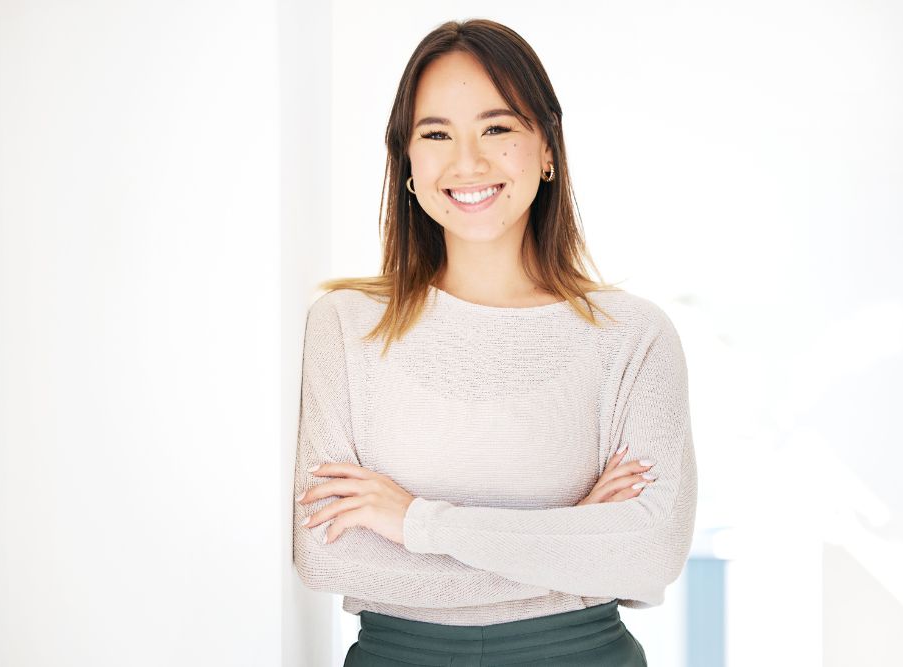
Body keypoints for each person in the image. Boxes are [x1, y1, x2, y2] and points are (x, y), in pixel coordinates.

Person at [292, 18, 697, 666]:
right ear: (407, 162)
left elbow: (646, 551)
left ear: (547, 149)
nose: (467, 162)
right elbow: (328, 554)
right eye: (436, 134)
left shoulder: (632, 339)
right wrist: (572, 544)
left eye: (497, 127)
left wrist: (415, 522)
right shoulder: (344, 328)